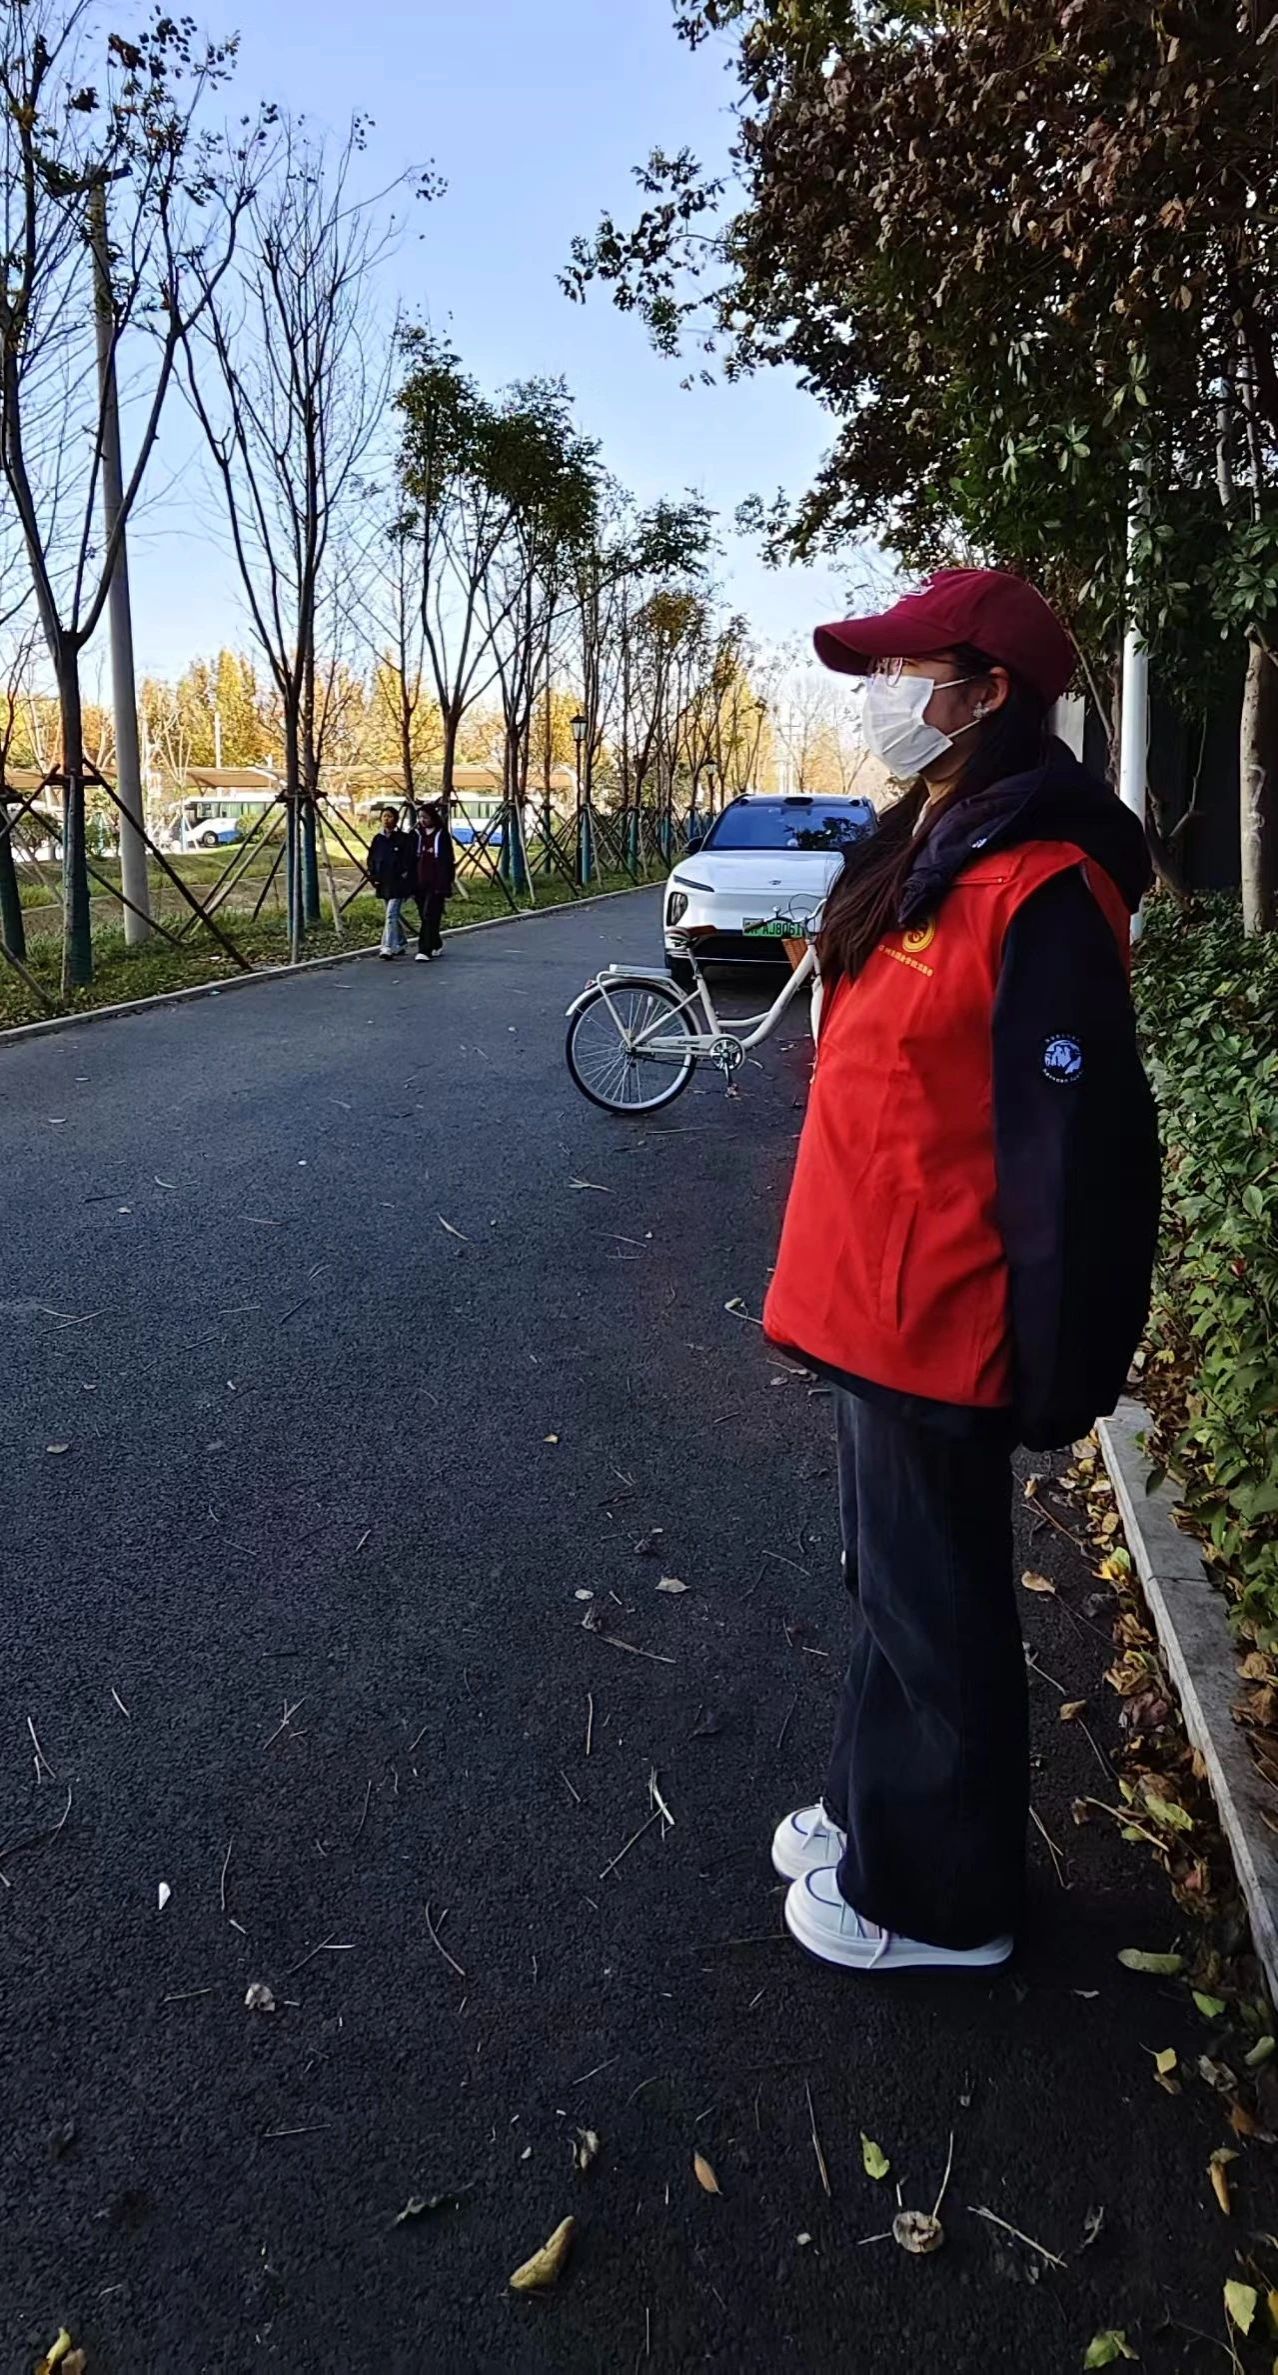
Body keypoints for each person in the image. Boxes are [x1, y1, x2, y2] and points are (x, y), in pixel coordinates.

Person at [763, 567, 1161, 1976]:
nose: (880, 697)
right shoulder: (929, 838)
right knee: (887, 1579)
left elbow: (1074, 1150)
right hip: (869, 1293)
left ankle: (942, 1899)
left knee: (936, 1598)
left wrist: (1065, 1355)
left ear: (988, 693)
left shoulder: (1042, 881)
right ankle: (880, 1809)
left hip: (940, 1308)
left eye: (904, 671)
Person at [367, 804, 415, 959]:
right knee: (393, 915)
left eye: (390, 816)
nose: (386, 819)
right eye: (384, 816)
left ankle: (386, 947)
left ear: (396, 819)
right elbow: (371, 859)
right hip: (383, 882)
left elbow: (409, 860)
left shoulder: (403, 838)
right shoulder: (378, 839)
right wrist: (373, 876)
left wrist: (405, 874)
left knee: (390, 915)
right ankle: (401, 942)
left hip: (398, 883)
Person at [412, 800, 456, 963]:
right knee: (425, 916)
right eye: (420, 817)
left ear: (433, 817)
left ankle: (424, 950)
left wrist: (446, 883)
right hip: (419, 882)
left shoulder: (441, 835)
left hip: (436, 883)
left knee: (429, 914)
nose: (422, 820)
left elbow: (448, 860)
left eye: (425, 817)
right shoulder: (416, 835)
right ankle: (436, 942)